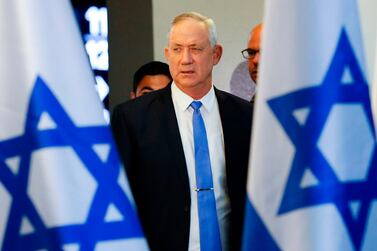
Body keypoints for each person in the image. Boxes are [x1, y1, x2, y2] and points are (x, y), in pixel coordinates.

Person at [111, 11, 252, 251]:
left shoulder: (245, 115)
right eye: (177, 49)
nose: (185, 59)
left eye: (195, 49)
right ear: (167, 55)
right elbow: (119, 201)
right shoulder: (132, 118)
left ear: (216, 54)